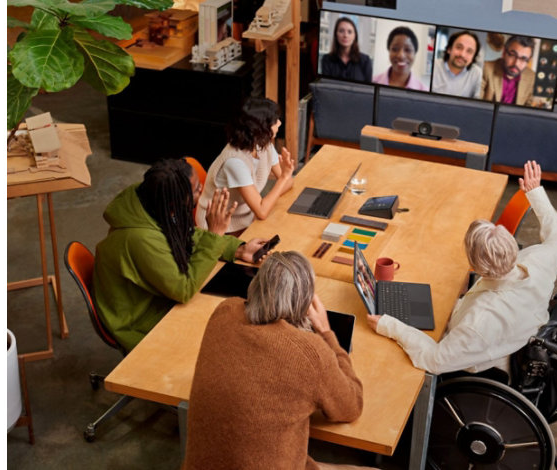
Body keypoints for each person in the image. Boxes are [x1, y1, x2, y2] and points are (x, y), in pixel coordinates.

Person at [367, 161, 557, 378]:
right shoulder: (538, 261)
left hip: (479, 368)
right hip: (503, 338)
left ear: (475, 267)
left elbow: (433, 361)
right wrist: (535, 193)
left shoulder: (481, 320)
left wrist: (390, 326)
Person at [183, 251, 368, 470]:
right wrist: (327, 333)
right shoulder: (310, 353)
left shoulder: (225, 310)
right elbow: (351, 406)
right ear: (305, 301)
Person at [93, 158, 270, 351]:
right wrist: (215, 235)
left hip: (157, 296)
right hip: (140, 319)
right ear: (174, 202)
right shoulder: (140, 240)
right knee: (230, 329)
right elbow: (182, 290)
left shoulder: (152, 199)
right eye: (195, 190)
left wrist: (238, 249)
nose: (201, 189)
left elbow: (186, 234)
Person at [196, 97, 294, 236]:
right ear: (260, 128)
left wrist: (282, 181)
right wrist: (283, 177)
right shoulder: (234, 162)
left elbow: (288, 183)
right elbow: (262, 211)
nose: (279, 123)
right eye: (274, 121)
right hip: (219, 227)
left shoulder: (263, 145)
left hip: (247, 216)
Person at [480, 35, 537, 106]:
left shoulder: (531, 77)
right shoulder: (486, 68)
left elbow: (528, 107)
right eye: (512, 55)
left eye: (523, 59)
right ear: (504, 53)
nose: (516, 63)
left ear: (528, 61)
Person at [372, 26, 428, 90]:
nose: (401, 56)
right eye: (395, 49)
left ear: (415, 53)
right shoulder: (372, 82)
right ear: (389, 51)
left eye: (407, 50)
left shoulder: (424, 90)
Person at [431, 30, 483, 98]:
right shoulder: (434, 66)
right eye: (459, 47)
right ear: (449, 49)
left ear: (473, 58)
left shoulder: (477, 74)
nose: (462, 55)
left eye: (469, 51)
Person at [321, 16, 373, 82]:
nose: (345, 35)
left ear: (355, 36)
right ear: (336, 35)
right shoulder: (326, 60)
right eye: (341, 31)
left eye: (350, 32)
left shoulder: (366, 61)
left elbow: (368, 89)